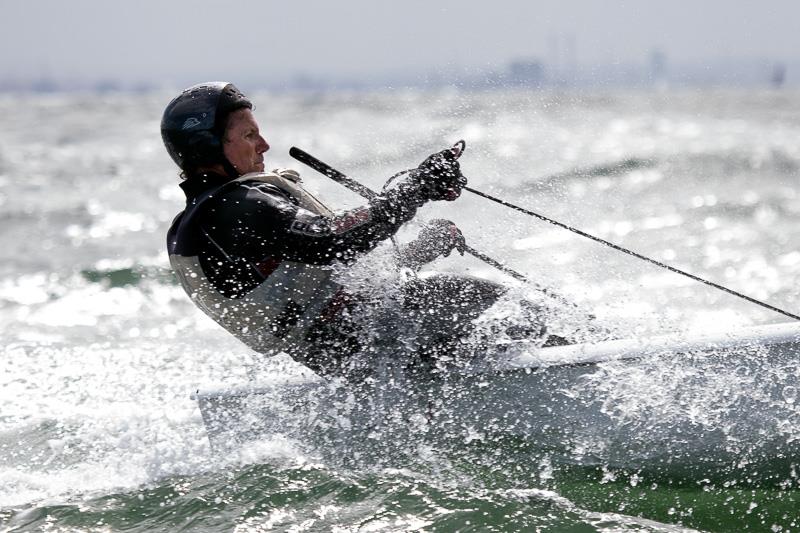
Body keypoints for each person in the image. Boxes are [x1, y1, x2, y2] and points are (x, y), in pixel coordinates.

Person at [163, 82, 510, 378]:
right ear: (206, 148)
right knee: (508, 308)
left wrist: (422, 249)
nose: (264, 145)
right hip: (377, 336)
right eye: (249, 135)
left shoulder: (203, 220)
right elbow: (332, 240)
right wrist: (418, 188)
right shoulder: (236, 207)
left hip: (350, 355)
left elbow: (329, 278)